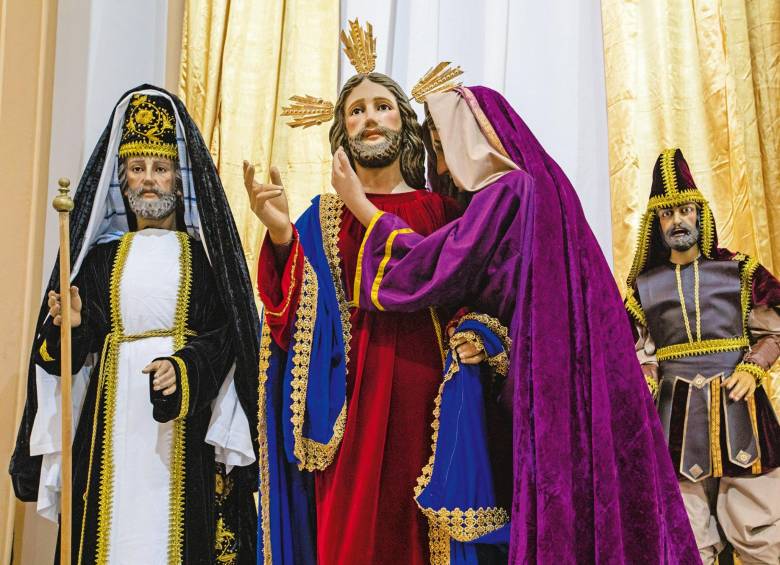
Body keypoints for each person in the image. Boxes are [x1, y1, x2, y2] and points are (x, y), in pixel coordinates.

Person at [331, 83, 700, 563]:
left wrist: (360, 206)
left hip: (544, 374)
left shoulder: (506, 191)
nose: (440, 166)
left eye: (443, 146)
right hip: (559, 365)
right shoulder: (528, 186)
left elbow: (435, 268)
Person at [247, 23, 472, 562]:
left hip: (428, 400)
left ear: (405, 123)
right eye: (356, 110)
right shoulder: (321, 217)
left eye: (382, 107)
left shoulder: (441, 211)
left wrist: (476, 335)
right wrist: (281, 236)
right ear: (342, 131)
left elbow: (466, 292)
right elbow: (288, 321)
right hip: (347, 409)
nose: (369, 118)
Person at [10, 86, 260, 564]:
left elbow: (226, 338)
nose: (148, 180)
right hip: (110, 420)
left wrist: (183, 369)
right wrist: (72, 328)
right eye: (137, 168)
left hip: (183, 427)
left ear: (179, 180)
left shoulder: (204, 262)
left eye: (160, 168)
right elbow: (61, 358)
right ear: (122, 179)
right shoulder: (100, 260)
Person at [624, 148, 780, 564]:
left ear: (700, 214)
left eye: (685, 210)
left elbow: (774, 328)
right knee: (688, 531)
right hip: (674, 418)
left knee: (759, 525)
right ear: (657, 223)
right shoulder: (644, 287)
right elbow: (634, 349)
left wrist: (754, 366)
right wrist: (646, 373)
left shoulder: (738, 272)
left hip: (741, 407)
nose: (677, 221)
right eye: (667, 214)